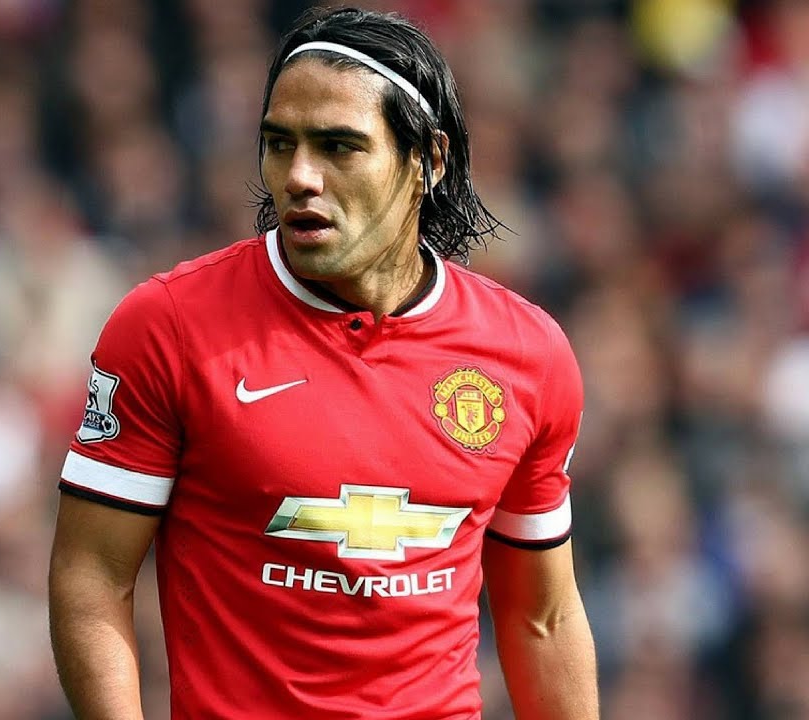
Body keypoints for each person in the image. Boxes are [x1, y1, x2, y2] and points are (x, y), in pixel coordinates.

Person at [48, 7, 598, 719]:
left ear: (428, 161)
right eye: (280, 144)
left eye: (339, 146)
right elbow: (91, 579)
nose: (300, 177)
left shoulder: (528, 356)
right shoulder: (168, 326)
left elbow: (542, 618)